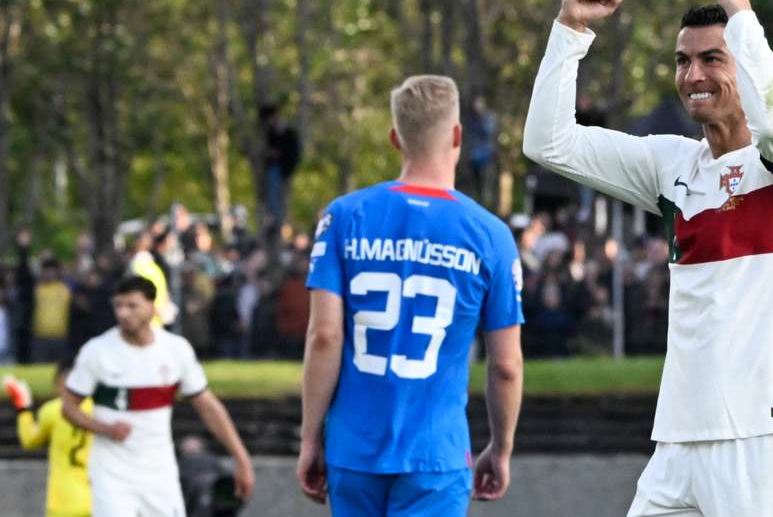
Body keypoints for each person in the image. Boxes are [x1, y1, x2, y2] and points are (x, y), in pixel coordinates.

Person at [523, 0, 773, 516]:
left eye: (712, 59)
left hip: (768, 443)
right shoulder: (671, 165)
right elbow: (549, 144)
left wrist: (740, 10)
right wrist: (570, 30)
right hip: (676, 446)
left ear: (744, 58)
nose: (693, 75)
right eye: (683, 60)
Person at [296, 75, 524, 516]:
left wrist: (309, 438)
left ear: (395, 138)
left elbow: (324, 337)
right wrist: (501, 447)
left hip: (353, 450)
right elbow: (507, 365)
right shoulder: (490, 236)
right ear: (457, 135)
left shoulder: (343, 217)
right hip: (436, 454)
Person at [61, 276, 255, 517]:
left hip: (159, 473)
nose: (123, 313)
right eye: (118, 306)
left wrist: (241, 458)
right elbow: (68, 408)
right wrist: (105, 429)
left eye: (132, 305)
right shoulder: (97, 352)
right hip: (111, 474)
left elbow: (208, 407)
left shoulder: (175, 350)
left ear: (152, 307)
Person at [4, 361, 93, 517]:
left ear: (59, 383)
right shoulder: (100, 411)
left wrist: (23, 408)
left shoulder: (53, 410)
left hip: (62, 504)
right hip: (96, 501)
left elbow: (29, 441)